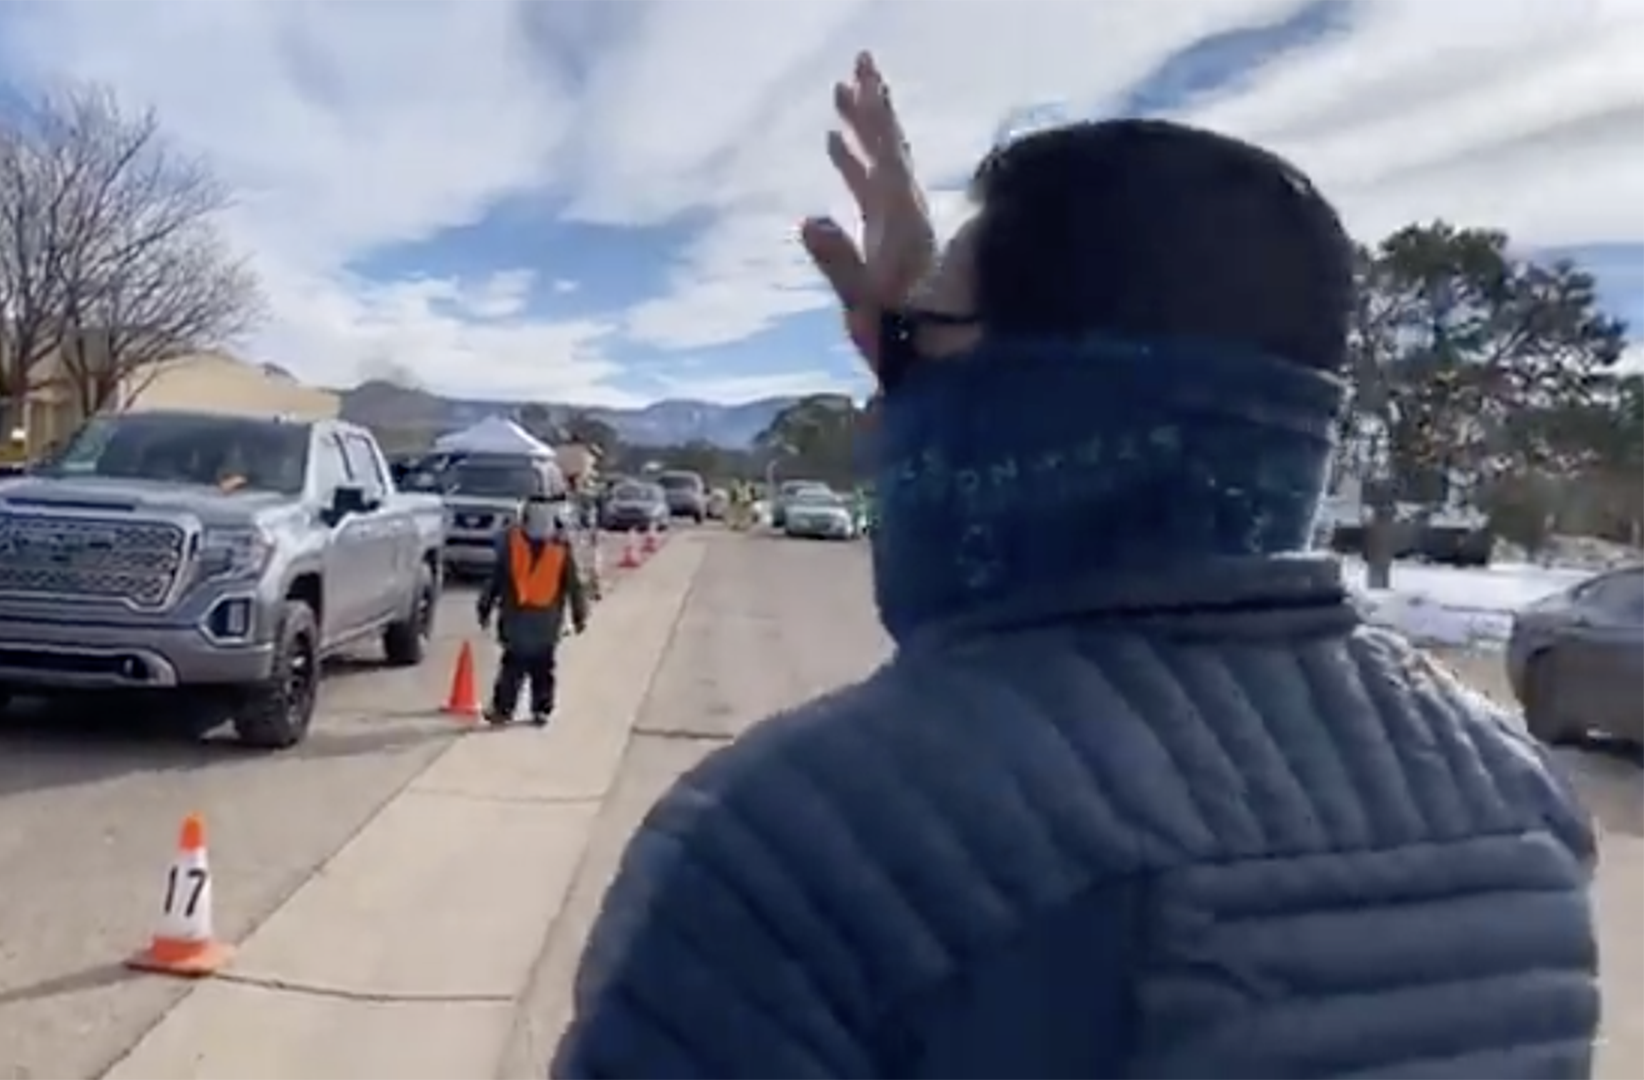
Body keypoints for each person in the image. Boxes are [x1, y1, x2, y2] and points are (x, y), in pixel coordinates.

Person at [551, 52, 1599, 1078]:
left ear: (1044, 395)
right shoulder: (1518, 799)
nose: (883, 417)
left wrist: (952, 400)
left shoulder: (796, 848)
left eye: (913, 355)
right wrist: (947, 361)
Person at [476, 493, 589, 726]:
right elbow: (574, 586)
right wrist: (580, 616)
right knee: (538, 669)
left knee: (516, 668)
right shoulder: (559, 547)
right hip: (542, 623)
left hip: (519, 622)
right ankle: (537, 709)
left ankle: (506, 710)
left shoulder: (514, 543)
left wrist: (484, 608)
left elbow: (495, 582)